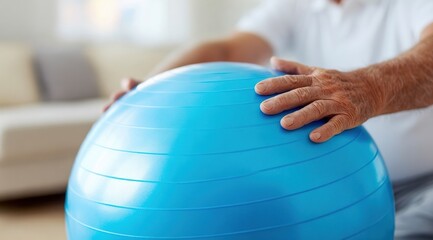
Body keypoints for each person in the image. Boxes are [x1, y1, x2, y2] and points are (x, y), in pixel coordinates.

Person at [105, 0, 433, 238]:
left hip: (424, 185)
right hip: (321, 191)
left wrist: (369, 87)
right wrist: (151, 89)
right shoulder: (294, 7)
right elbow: (226, 51)